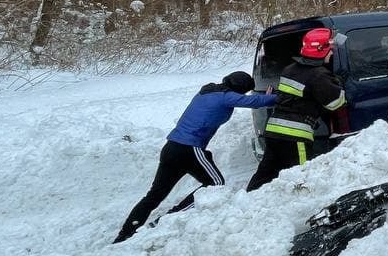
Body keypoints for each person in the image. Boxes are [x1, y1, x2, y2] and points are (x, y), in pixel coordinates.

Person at [114, 71, 277, 242]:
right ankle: (169, 220)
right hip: (189, 148)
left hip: (171, 148)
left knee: (154, 195)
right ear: (239, 88)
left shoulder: (205, 92)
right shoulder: (225, 96)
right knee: (215, 184)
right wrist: (275, 97)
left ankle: (125, 234)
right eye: (243, 91)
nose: (242, 95)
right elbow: (253, 101)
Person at [246, 27, 347, 191]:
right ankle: (298, 209)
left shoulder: (289, 69)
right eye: (330, 49)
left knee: (266, 172)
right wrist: (337, 83)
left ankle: (246, 201)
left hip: (273, 132)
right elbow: (336, 103)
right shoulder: (319, 75)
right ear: (321, 51)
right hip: (295, 137)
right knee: (300, 176)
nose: (332, 53)